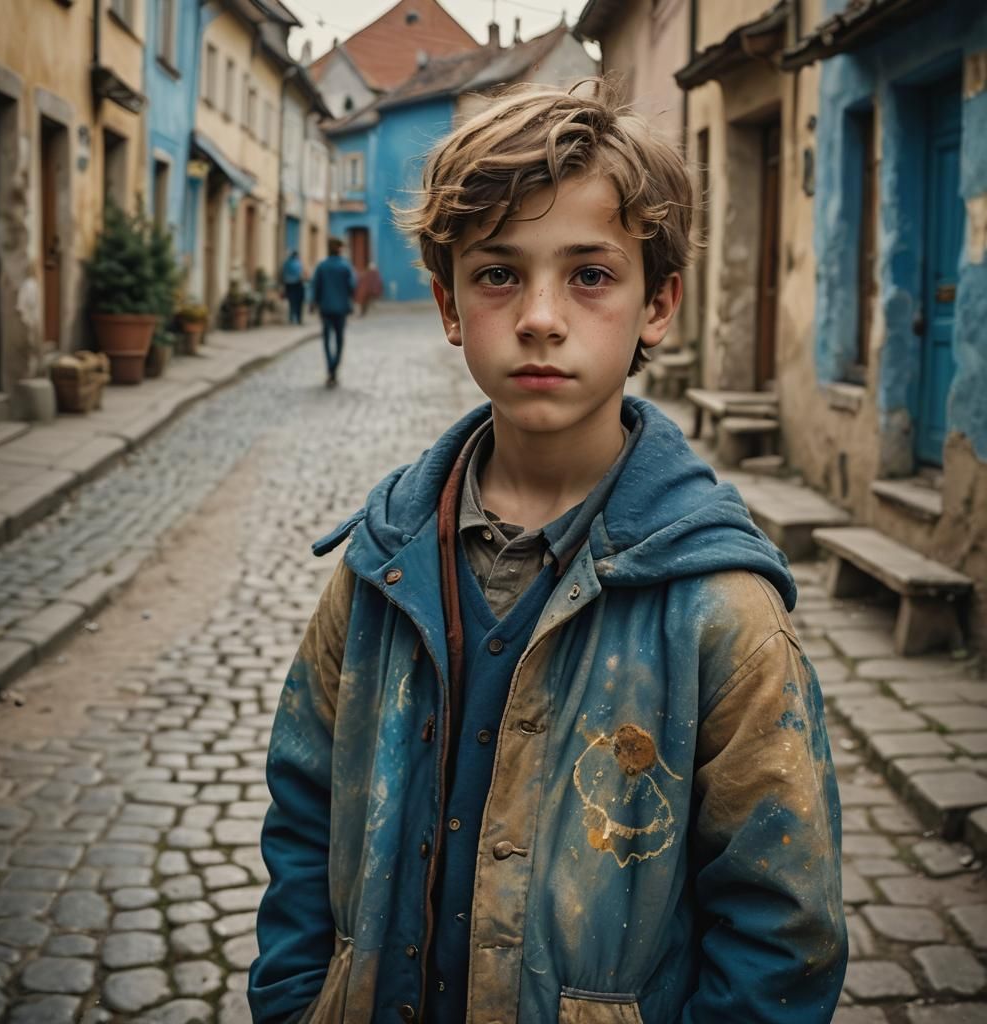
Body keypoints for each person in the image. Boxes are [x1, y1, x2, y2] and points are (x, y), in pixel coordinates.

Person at [249, 81, 847, 1024]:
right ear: (448, 305)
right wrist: (293, 1003)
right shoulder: (378, 570)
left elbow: (781, 926)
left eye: (590, 275)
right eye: (497, 274)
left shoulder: (718, 613)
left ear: (658, 304)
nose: (539, 315)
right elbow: (303, 813)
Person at [310, 237, 356, 387]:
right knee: (339, 339)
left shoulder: (322, 266)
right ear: (339, 249)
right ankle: (334, 367)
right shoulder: (345, 266)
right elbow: (352, 286)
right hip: (341, 308)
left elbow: (316, 286)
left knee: (326, 339)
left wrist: (313, 303)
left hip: (326, 308)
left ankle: (330, 366)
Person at [281, 250, 306, 325]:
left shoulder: (286, 263)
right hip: (298, 285)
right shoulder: (298, 263)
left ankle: (291, 318)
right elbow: (301, 275)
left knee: (291, 303)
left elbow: (283, 274)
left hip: (289, 285)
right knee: (299, 304)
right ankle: (298, 319)